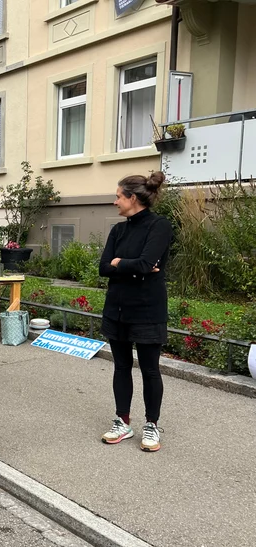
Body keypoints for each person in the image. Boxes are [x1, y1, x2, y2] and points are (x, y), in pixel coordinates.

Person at [98, 171, 173, 452]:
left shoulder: (159, 226)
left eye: (118, 196)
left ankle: (151, 425)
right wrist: (125, 264)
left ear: (132, 198)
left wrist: (121, 263)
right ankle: (122, 420)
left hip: (147, 310)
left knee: (150, 370)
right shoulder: (118, 230)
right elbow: (104, 267)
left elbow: (145, 264)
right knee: (121, 366)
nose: (115, 201)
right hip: (117, 308)